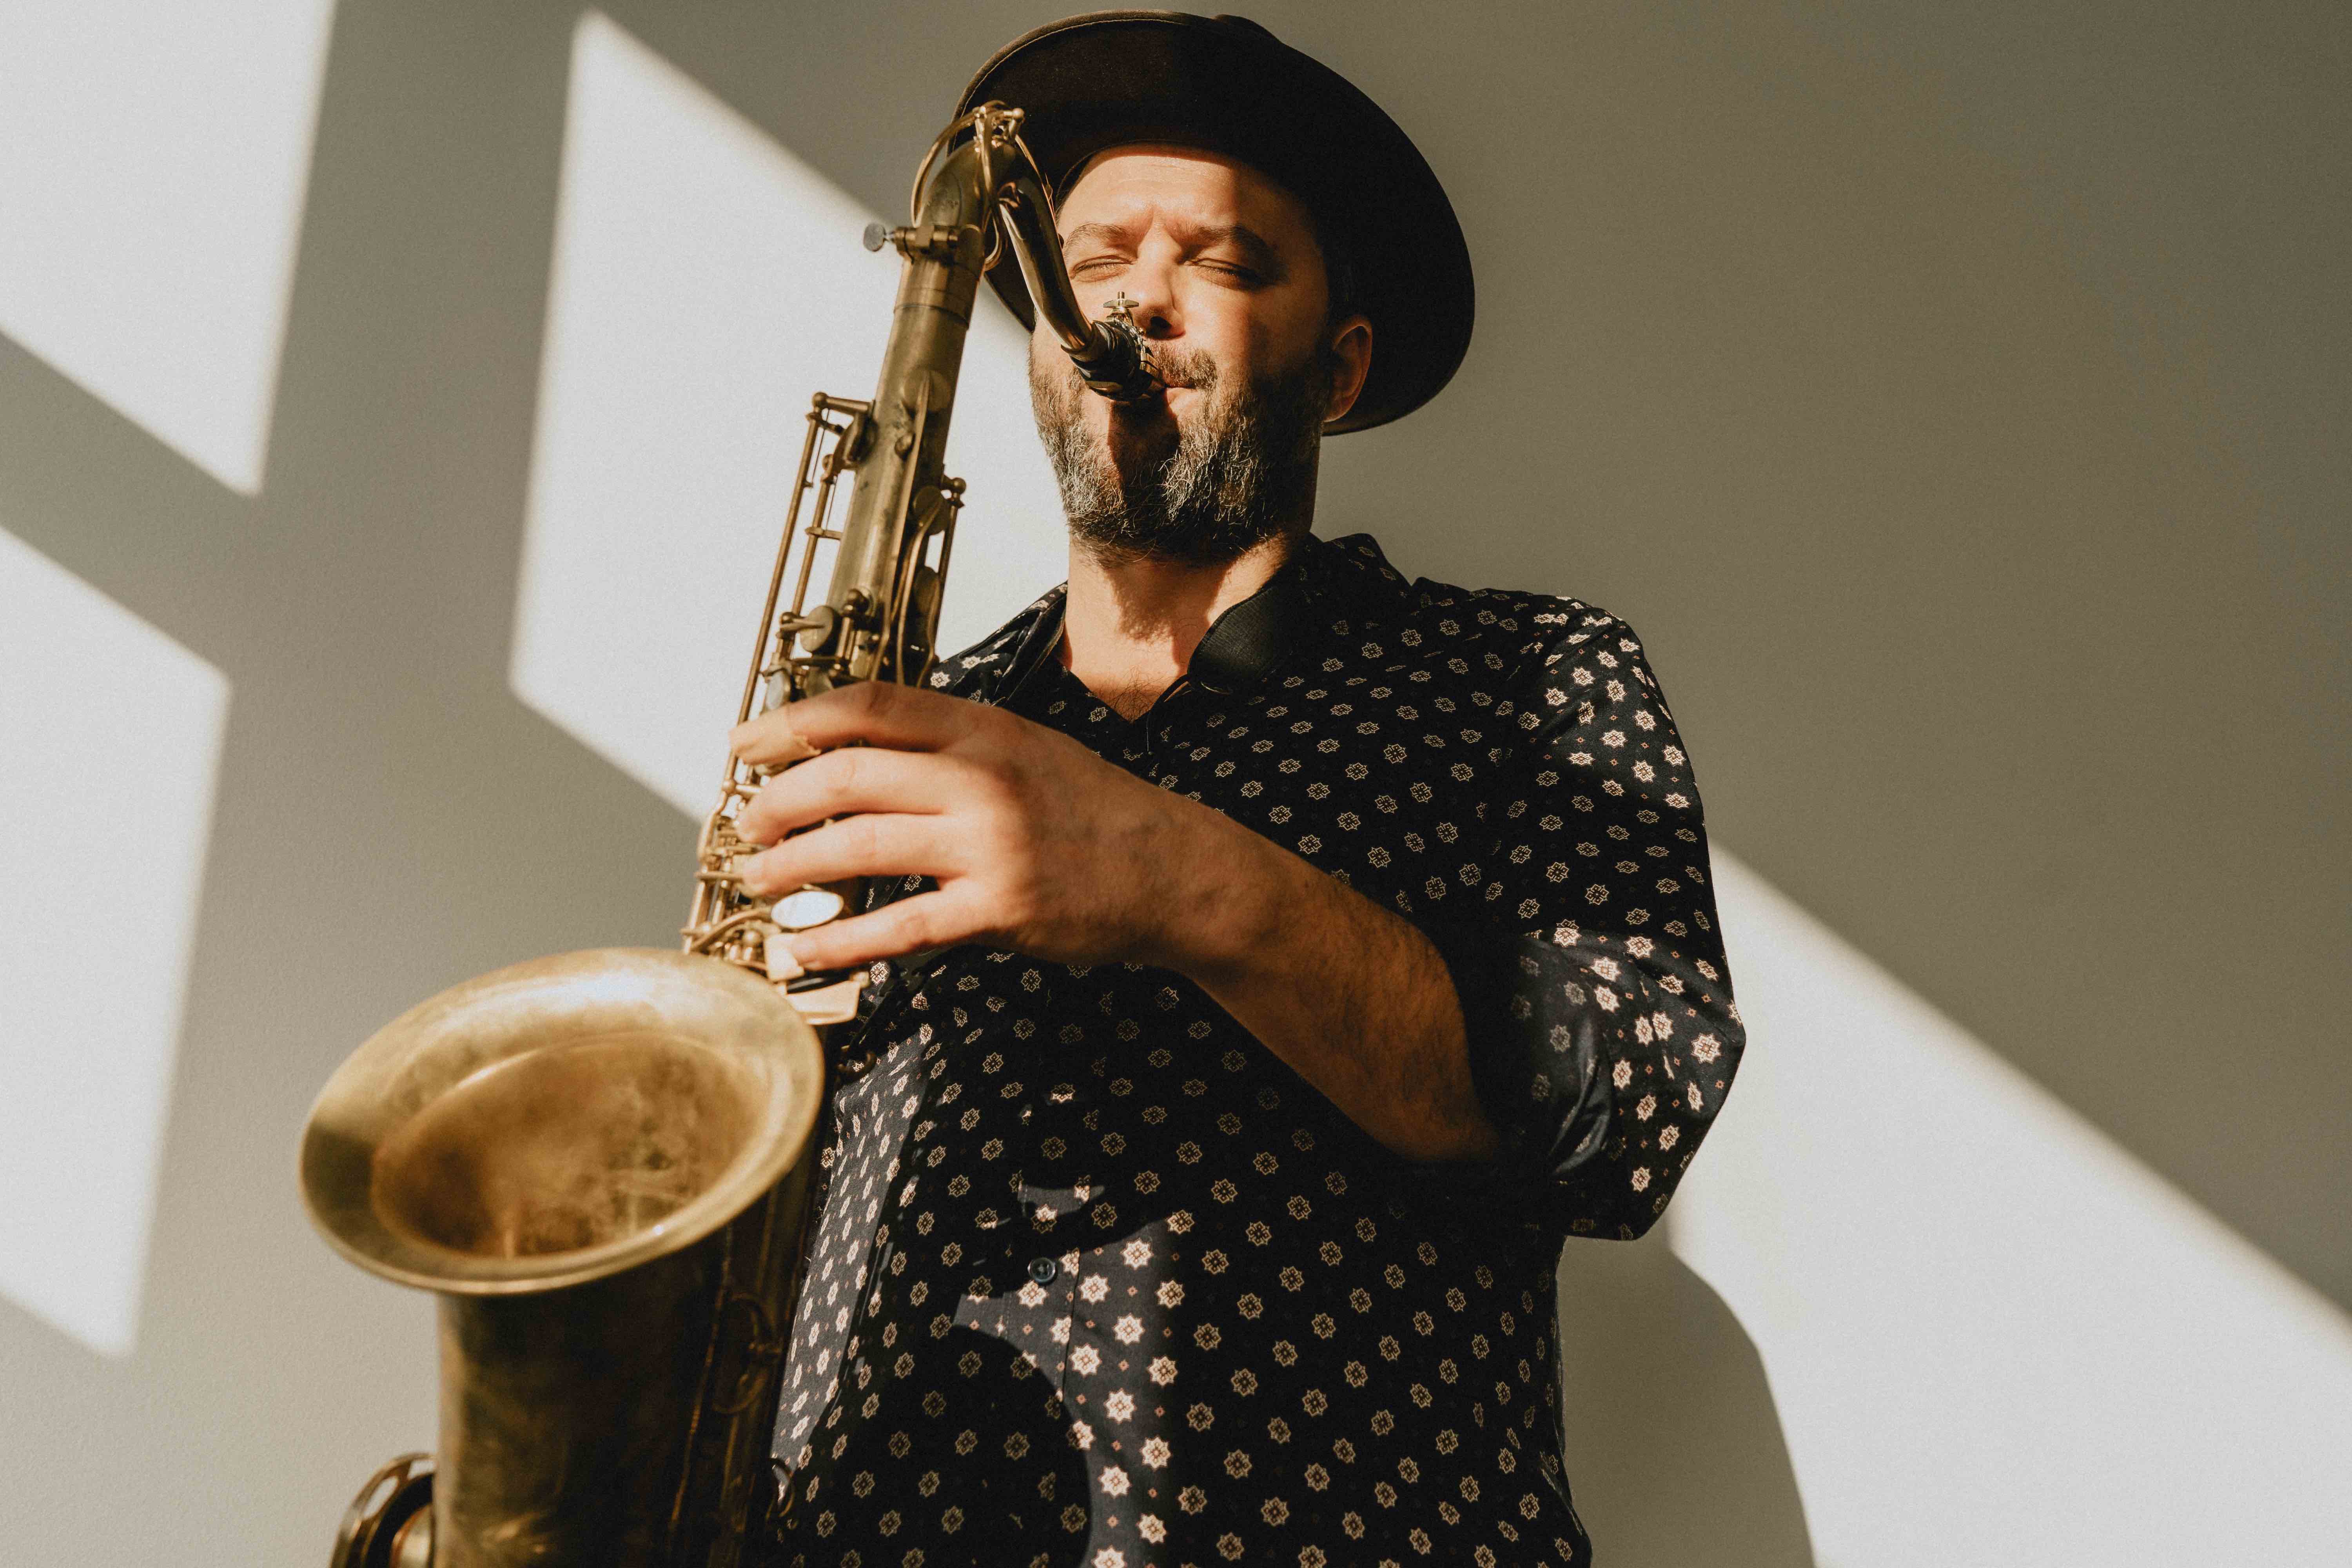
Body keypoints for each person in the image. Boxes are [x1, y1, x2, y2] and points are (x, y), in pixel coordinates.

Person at [729, 14, 1744, 1566]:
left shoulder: (1524, 675)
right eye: (1098, 257)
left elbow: (1628, 1103)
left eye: (1225, 262)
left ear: (1340, 370)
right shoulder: (909, 735)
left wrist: (1172, 875)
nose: (1139, 297)